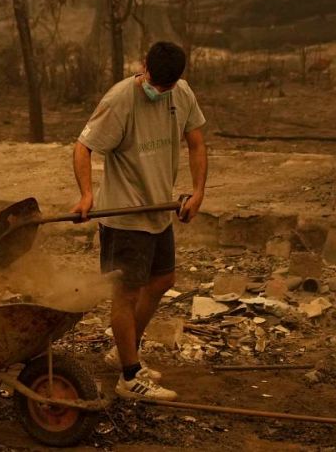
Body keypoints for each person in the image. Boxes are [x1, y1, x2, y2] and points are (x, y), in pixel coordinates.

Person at [71, 40, 207, 401]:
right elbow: (83, 146)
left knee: (163, 279)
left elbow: (196, 142)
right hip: (124, 216)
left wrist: (197, 192)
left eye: (165, 87)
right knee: (125, 295)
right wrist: (87, 194)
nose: (157, 90)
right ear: (143, 65)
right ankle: (129, 378)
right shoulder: (119, 100)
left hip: (159, 210)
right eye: (154, 82)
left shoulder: (182, 94)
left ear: (177, 81)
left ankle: (125, 347)